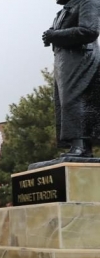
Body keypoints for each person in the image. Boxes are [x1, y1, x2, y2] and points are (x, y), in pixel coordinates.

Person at [43, 0, 100, 157]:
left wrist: (55, 35)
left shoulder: (88, 1)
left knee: (75, 100)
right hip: (66, 61)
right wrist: (51, 35)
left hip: (82, 58)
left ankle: (80, 145)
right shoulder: (63, 10)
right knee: (64, 103)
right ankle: (79, 145)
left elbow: (89, 30)